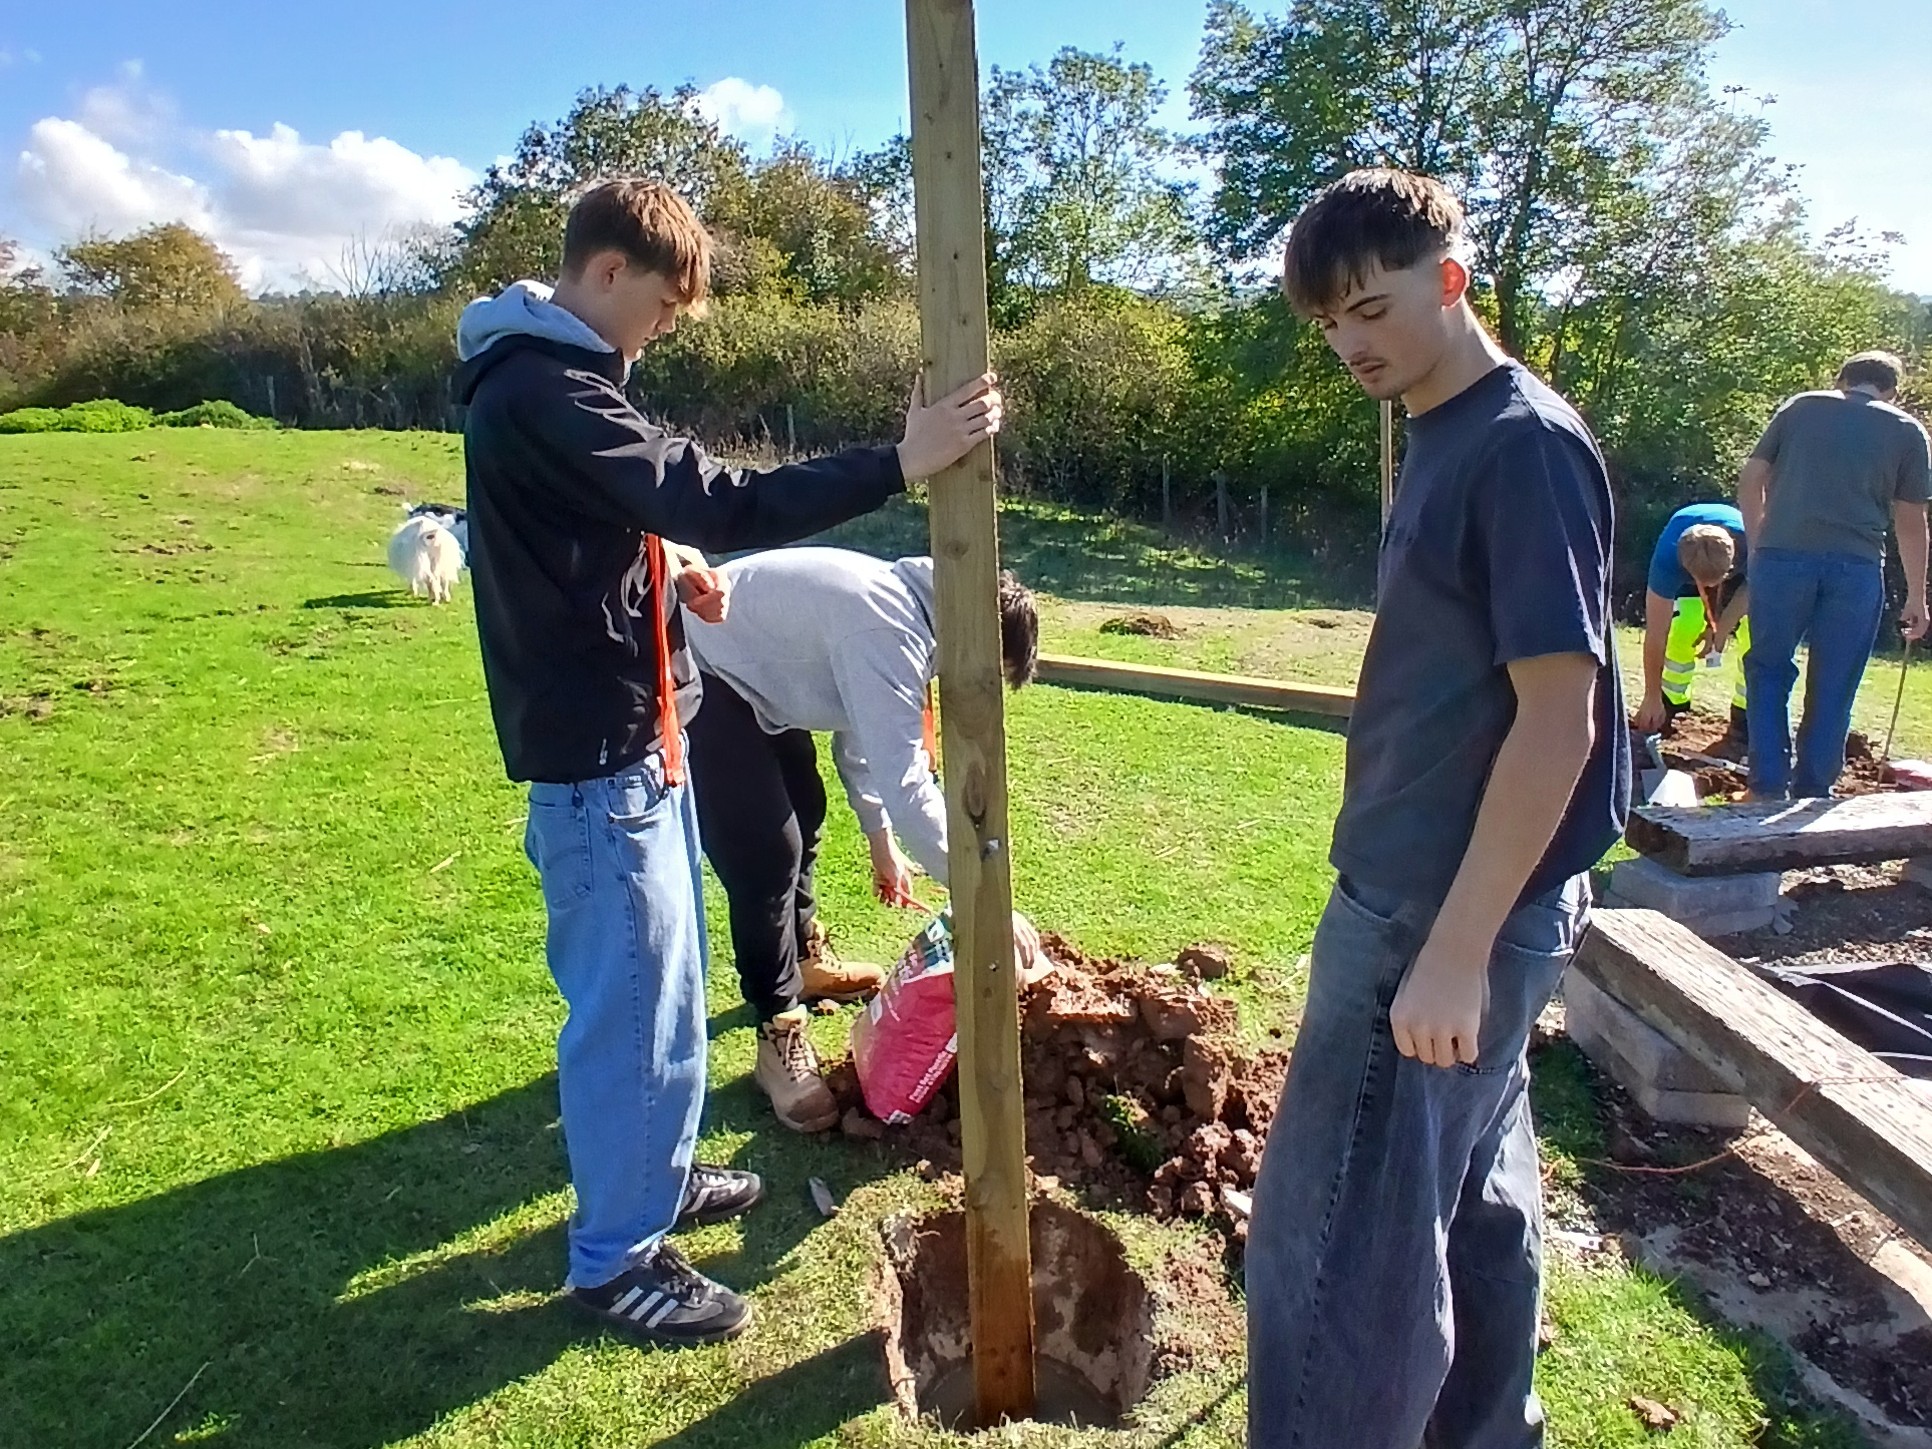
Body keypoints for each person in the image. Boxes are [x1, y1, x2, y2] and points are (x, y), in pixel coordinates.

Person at [452, 178, 1003, 1345]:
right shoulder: (549, 390)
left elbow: (611, 525)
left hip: (638, 741)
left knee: (677, 988)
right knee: (632, 1010)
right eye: (655, 309)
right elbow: (716, 490)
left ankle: (656, 1179)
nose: (654, 335)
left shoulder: (557, 384)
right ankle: (617, 1261)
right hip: (600, 761)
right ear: (607, 274)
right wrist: (897, 462)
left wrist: (663, 564)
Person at [1244, 168, 1629, 1449]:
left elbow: (1559, 718)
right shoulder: (1441, 422)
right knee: (1474, 1213)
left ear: (1451, 280)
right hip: (1446, 905)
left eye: (1373, 306)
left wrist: (1456, 952)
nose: (1352, 343)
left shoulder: (1520, 447)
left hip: (1439, 918)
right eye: (1331, 324)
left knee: (1339, 1252)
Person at [677, 546, 1039, 1132]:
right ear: (973, 631)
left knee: (805, 808)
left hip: (756, 678)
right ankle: (778, 1033)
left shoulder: (912, 615)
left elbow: (862, 734)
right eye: (984, 670)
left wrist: (881, 841)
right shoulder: (887, 628)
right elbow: (907, 781)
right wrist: (983, 898)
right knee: (768, 850)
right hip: (708, 671)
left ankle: (801, 958)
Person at [1739, 351, 1932, 799]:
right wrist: (1916, 597)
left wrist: (1758, 540)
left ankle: (1766, 784)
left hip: (1783, 558)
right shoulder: (1906, 431)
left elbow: (1751, 479)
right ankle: (1813, 788)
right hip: (1857, 568)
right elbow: (1910, 520)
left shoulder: (1801, 406)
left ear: (1841, 378)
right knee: (1836, 680)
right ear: (1892, 390)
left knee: (1767, 669)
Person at [1631, 503, 1751, 745]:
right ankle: (1670, 700)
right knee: (1685, 622)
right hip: (1687, 558)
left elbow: (1754, 586)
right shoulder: (1666, 561)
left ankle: (1746, 714)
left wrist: (1720, 630)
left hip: (1747, 571)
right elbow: (1656, 634)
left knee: (1755, 631)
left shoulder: (1754, 541)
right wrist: (1650, 695)